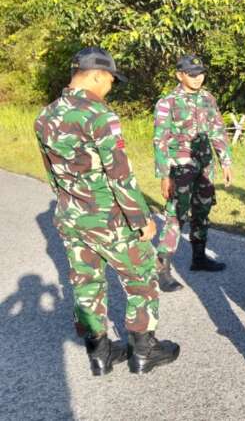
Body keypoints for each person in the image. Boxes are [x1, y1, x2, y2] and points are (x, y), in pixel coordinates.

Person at [34, 47, 180, 376]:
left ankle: (99, 354)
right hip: (109, 217)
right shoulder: (99, 115)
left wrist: (70, 205)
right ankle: (143, 350)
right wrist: (141, 220)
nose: (111, 87)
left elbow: (52, 174)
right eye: (111, 80)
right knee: (142, 276)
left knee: (86, 283)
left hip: (71, 215)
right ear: (98, 75)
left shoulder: (45, 116)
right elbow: (120, 174)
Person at [153, 54, 233, 290]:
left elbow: (217, 130)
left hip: (205, 166)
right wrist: (164, 175)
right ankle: (162, 269)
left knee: (202, 210)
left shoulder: (208, 98)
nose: (198, 78)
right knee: (176, 215)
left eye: (201, 73)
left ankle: (199, 258)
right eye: (192, 74)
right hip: (180, 168)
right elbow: (160, 141)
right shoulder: (167, 102)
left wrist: (225, 161)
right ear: (179, 75)